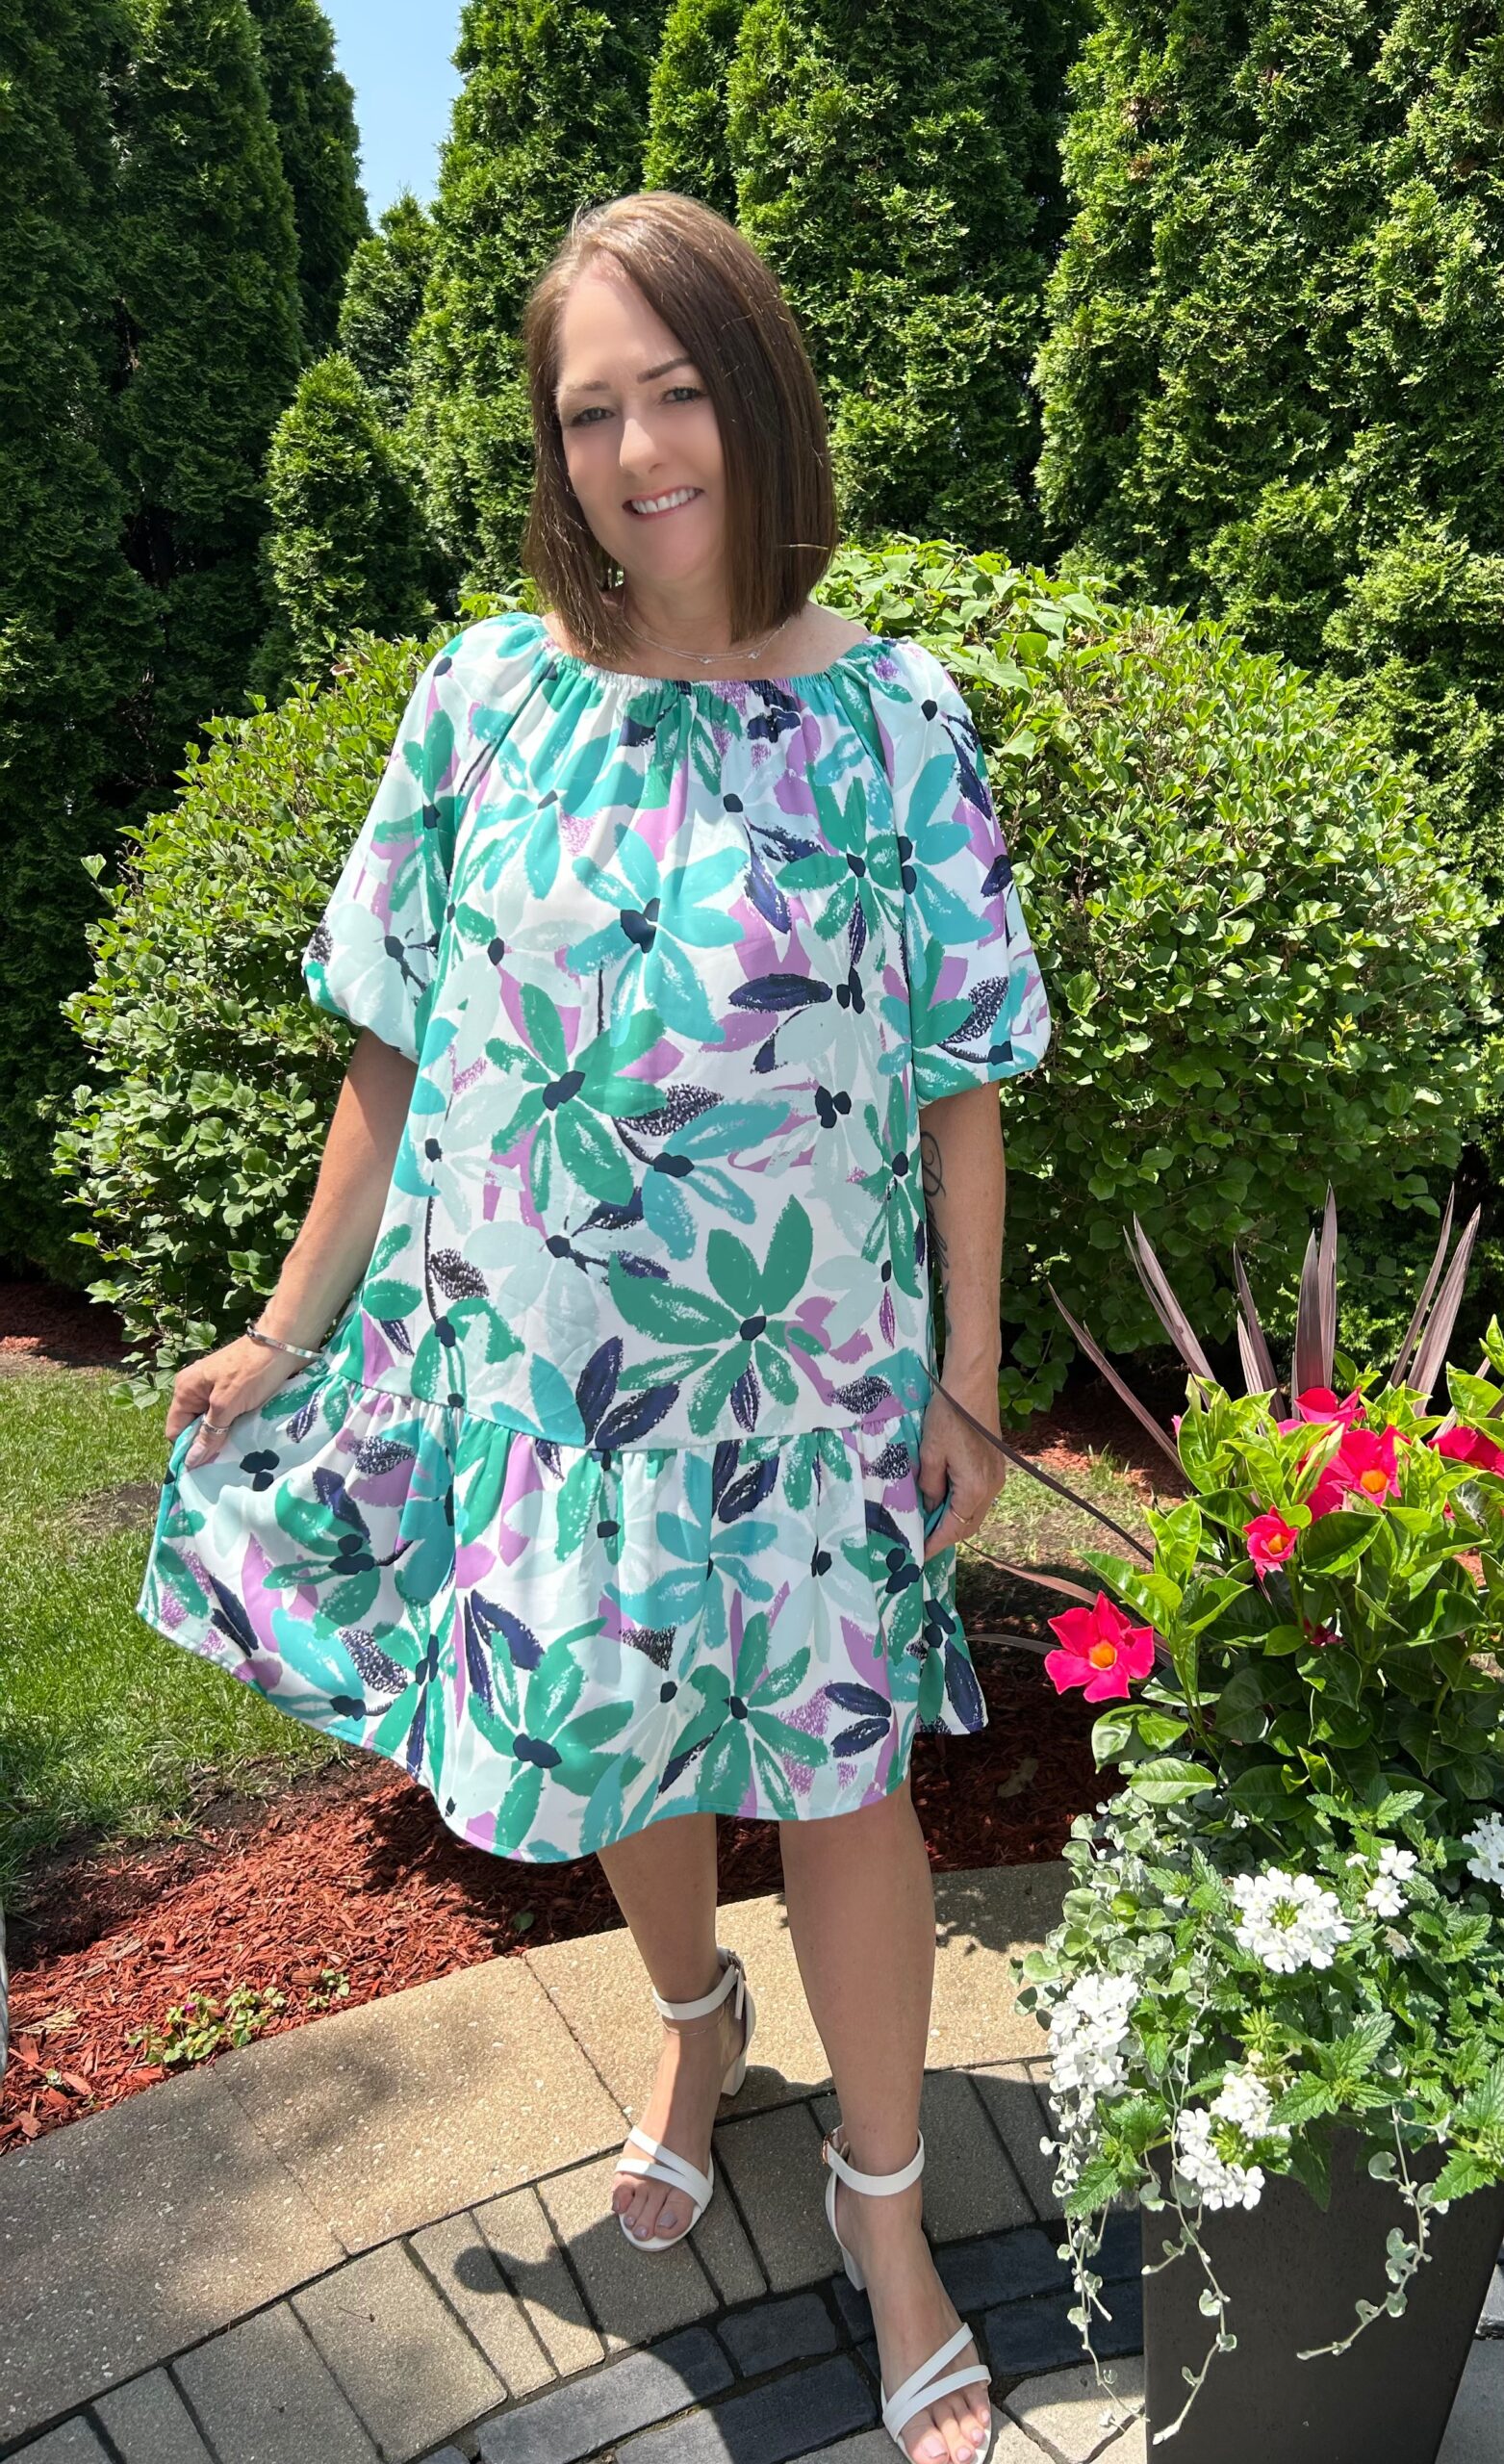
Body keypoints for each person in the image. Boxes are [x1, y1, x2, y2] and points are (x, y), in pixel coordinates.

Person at [137, 191, 1051, 2464]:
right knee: (613, 1744)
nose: (637, 450)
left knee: (841, 1782)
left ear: (758, 402)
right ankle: (689, 2018)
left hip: (806, 1378)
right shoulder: (482, 697)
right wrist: (285, 1330)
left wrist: (963, 1372)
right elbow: (387, 1048)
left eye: (676, 393)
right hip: (552, 1380)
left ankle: (885, 2215)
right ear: (549, 446)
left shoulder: (894, 713)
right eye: (586, 411)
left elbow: (959, 1074)